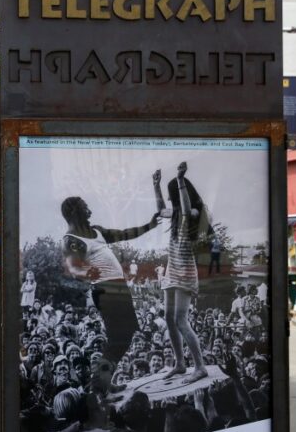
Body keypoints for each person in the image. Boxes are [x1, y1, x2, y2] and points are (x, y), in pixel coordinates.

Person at [61, 196, 159, 364]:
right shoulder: (71, 239)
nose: (88, 209)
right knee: (117, 339)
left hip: (119, 286)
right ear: (74, 212)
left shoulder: (97, 231)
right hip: (105, 289)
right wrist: (86, 272)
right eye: (84, 206)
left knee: (129, 334)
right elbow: (73, 267)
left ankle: (106, 380)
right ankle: (100, 384)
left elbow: (124, 234)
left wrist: (149, 225)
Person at [154, 162, 209, 384]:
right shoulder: (175, 213)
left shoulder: (193, 211)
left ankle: (200, 367)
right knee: (168, 317)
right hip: (172, 269)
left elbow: (186, 210)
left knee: (180, 319)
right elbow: (161, 210)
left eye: (171, 195)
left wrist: (179, 180)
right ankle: (180, 363)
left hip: (185, 270)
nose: (170, 200)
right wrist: (156, 185)